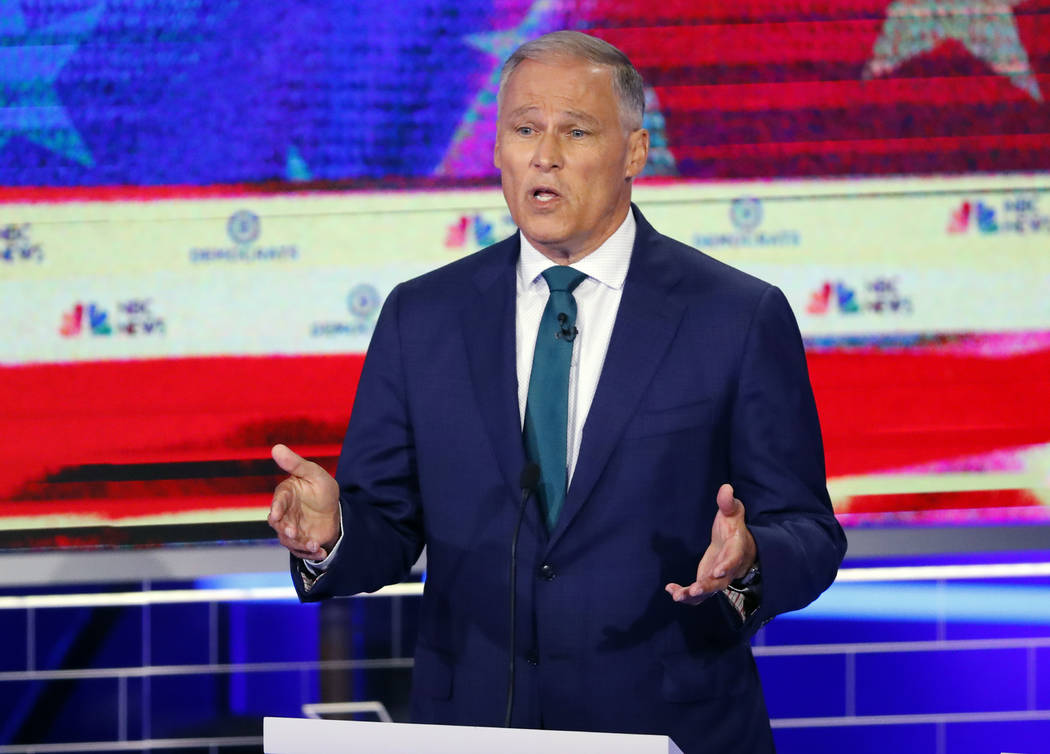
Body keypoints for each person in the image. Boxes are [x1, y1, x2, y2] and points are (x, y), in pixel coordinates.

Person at [268, 30, 846, 754]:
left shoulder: (733, 316)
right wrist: (331, 534)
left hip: (670, 724)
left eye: (576, 131)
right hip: (474, 726)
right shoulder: (424, 316)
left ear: (635, 153)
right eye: (523, 130)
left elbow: (811, 532)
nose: (545, 156)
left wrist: (752, 559)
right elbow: (388, 522)